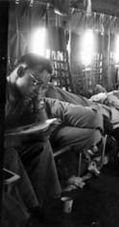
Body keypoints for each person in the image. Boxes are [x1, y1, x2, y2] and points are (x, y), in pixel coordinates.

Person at [4, 53, 62, 221]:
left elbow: (41, 128)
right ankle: (29, 210)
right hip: (8, 148)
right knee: (10, 155)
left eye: (43, 86)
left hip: (15, 144)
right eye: (36, 82)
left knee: (42, 146)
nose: (38, 89)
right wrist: (16, 137)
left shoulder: (27, 96)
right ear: (21, 70)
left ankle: (47, 201)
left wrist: (39, 103)